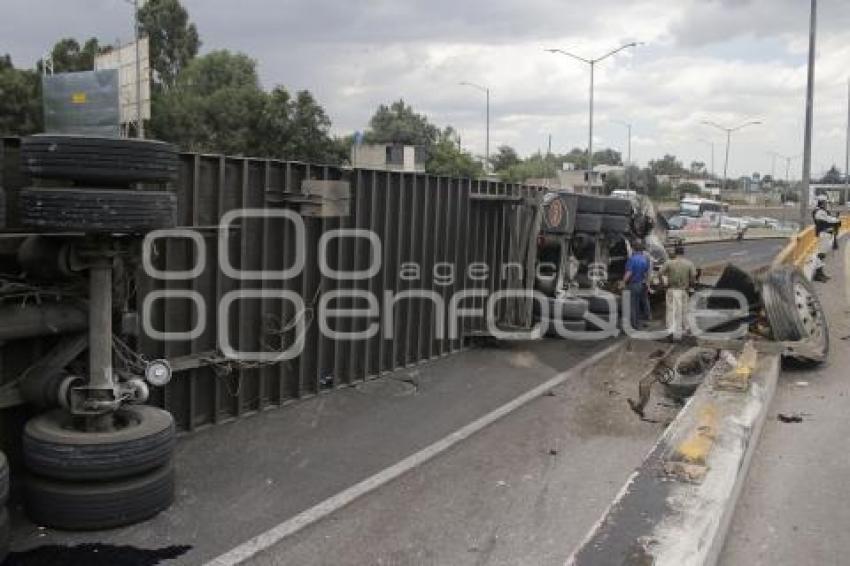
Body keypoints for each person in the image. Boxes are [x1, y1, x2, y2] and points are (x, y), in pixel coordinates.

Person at [660, 245, 697, 339]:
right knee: (684, 310)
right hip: (683, 290)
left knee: (671, 310)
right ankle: (686, 328)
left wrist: (664, 283)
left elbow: (660, 273)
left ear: (675, 253)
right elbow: (693, 277)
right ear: (683, 253)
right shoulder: (689, 264)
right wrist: (690, 286)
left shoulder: (669, 263)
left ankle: (671, 330)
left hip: (671, 289)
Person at [812, 195, 841, 283]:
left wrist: (835, 220)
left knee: (823, 255)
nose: (826, 204)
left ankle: (821, 273)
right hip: (824, 235)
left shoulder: (822, 211)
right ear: (821, 202)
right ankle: (818, 275)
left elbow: (829, 219)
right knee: (821, 255)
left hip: (827, 235)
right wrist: (836, 220)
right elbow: (829, 219)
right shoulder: (819, 212)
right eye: (825, 202)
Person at [622, 242, 651, 330]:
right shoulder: (645, 259)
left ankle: (634, 325)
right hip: (641, 284)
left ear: (633, 249)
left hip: (633, 284)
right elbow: (646, 273)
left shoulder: (632, 259)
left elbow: (629, 273)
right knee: (638, 304)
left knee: (632, 305)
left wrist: (623, 282)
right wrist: (647, 284)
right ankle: (639, 322)